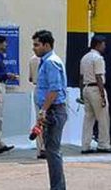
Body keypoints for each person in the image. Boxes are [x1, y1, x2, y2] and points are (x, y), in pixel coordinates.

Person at [33, 30, 68, 190]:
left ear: (47, 45)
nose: (34, 48)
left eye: (37, 45)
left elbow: (54, 89)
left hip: (53, 110)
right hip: (51, 110)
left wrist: (44, 110)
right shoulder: (46, 61)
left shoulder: (50, 62)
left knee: (52, 152)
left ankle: (58, 187)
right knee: (51, 150)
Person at [79, 36, 111, 154]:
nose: (105, 46)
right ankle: (103, 144)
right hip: (96, 89)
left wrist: (81, 93)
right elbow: (99, 76)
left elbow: (81, 77)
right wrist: (102, 95)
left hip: (86, 88)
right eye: (103, 44)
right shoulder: (98, 58)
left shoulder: (85, 58)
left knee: (88, 119)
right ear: (98, 44)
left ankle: (85, 145)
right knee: (103, 118)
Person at [0, 35, 19, 139]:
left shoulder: (0, 57)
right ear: (0, 44)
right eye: (5, 43)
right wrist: (6, 75)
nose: (6, 45)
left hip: (1, 84)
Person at [28, 53, 45, 159]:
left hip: (36, 89)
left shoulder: (32, 59)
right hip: (46, 91)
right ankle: (44, 148)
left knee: (39, 120)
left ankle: (40, 149)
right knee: (47, 119)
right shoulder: (50, 60)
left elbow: (30, 78)